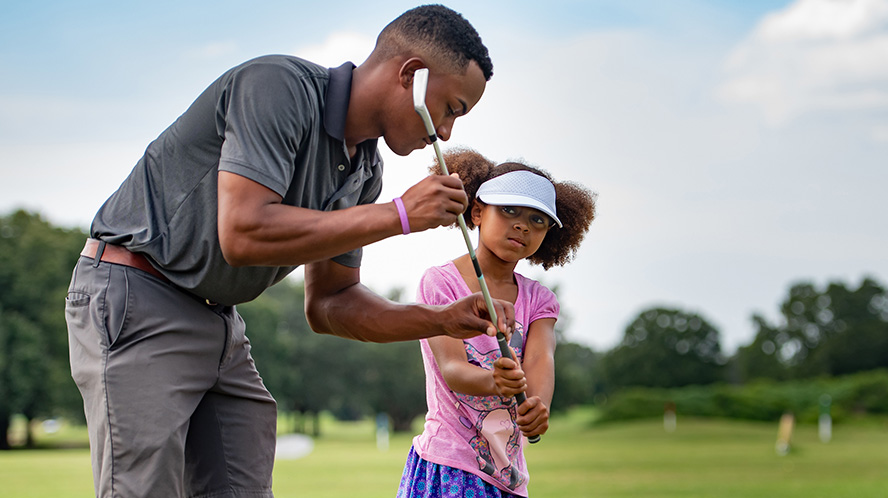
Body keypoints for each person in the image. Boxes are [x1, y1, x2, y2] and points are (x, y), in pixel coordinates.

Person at [64, 5, 513, 498]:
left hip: (219, 320)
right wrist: (399, 216)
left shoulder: (365, 172)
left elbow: (330, 305)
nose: (446, 133)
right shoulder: (278, 87)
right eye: (450, 108)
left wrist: (441, 319)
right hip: (139, 293)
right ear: (410, 74)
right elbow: (243, 233)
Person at [397, 149, 597, 498]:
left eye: (538, 220)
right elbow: (453, 369)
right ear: (476, 212)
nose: (522, 224)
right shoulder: (441, 283)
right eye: (508, 210)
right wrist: (495, 381)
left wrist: (538, 405)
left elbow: (539, 360)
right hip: (450, 464)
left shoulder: (540, 300)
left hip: (510, 475)